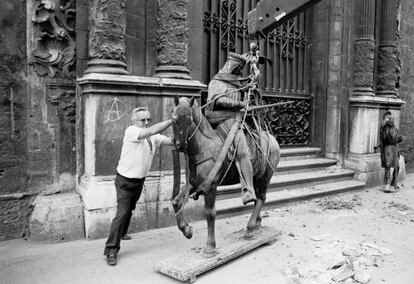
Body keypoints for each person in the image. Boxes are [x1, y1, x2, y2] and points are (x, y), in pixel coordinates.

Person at [103, 107, 173, 266]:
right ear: (134, 121)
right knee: (122, 213)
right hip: (124, 181)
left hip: (139, 181)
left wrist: (182, 139)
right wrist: (171, 120)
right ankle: (111, 250)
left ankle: (122, 233)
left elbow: (168, 141)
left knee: (130, 209)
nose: (147, 122)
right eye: (143, 120)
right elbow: (151, 131)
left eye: (148, 119)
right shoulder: (131, 131)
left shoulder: (152, 136)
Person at [205, 52, 256, 205]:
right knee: (242, 150)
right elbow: (217, 100)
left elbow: (245, 98)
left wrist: (249, 89)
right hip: (219, 120)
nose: (240, 72)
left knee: (243, 149)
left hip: (235, 120)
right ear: (232, 67)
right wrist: (239, 104)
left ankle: (248, 189)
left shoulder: (236, 84)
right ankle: (249, 188)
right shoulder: (216, 82)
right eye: (238, 69)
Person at [379, 111, 402, 193]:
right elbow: (391, 139)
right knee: (390, 166)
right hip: (389, 148)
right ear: (386, 119)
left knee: (392, 166)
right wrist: (398, 139)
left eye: (391, 118)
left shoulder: (388, 127)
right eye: (389, 118)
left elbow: (391, 138)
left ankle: (391, 184)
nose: (391, 119)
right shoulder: (386, 127)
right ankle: (389, 185)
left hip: (391, 148)